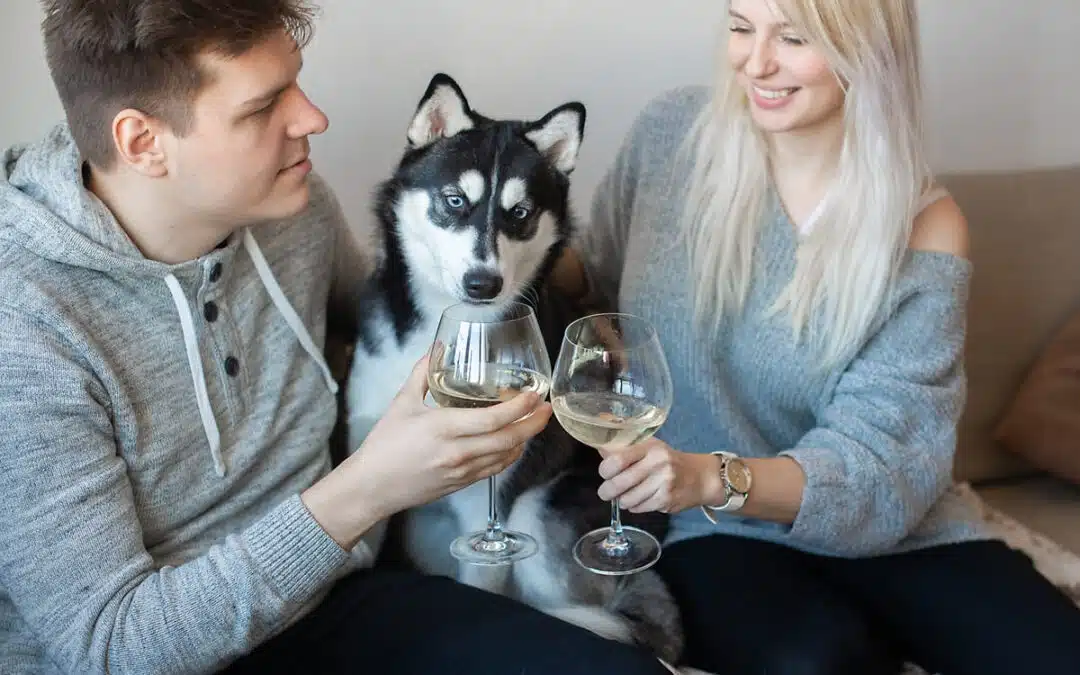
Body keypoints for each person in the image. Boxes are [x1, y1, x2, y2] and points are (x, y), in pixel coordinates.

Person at [0, 2, 677, 674]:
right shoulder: (25, 329)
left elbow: (398, 312)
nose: (313, 118)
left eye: (295, 83)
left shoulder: (290, 208)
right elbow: (112, 647)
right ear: (144, 142)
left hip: (336, 598)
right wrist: (369, 487)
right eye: (263, 107)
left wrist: (579, 327)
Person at [554, 1, 1080, 674]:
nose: (757, 60)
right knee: (817, 660)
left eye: (793, 37)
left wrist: (708, 475)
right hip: (710, 529)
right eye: (742, 27)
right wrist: (504, 245)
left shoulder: (923, 226)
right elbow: (594, 272)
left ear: (867, 54)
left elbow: (879, 464)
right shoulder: (671, 137)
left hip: (886, 525)